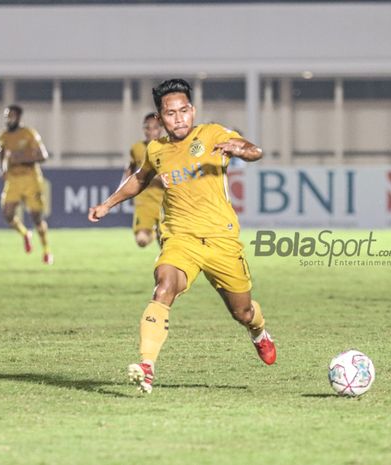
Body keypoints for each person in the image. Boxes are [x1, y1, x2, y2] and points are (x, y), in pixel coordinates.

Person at [88, 78, 276, 394]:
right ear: (161, 119)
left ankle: (259, 332)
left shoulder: (213, 134)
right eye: (171, 114)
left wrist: (240, 149)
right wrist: (108, 204)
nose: (179, 118)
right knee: (164, 286)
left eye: (184, 111)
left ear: (192, 110)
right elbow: (140, 179)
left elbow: (253, 150)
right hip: (180, 238)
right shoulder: (156, 150)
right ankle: (146, 367)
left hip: (221, 240)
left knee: (242, 312)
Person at [0, 105, 53, 265]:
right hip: (13, 180)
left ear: (19, 117)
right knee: (7, 214)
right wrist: (2, 169)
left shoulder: (29, 134)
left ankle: (46, 251)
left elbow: (43, 156)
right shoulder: (3, 136)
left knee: (37, 218)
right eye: (7, 116)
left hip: (31, 179)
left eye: (12, 116)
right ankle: (25, 234)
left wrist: (21, 158)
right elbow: (0, 154)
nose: (8, 119)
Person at [124, 112, 164, 247]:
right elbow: (130, 168)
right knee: (141, 241)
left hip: (165, 203)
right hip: (144, 202)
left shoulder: (168, 147)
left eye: (155, 127)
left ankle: (158, 232)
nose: (151, 131)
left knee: (165, 246)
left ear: (161, 128)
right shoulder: (137, 148)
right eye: (147, 128)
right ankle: (154, 231)